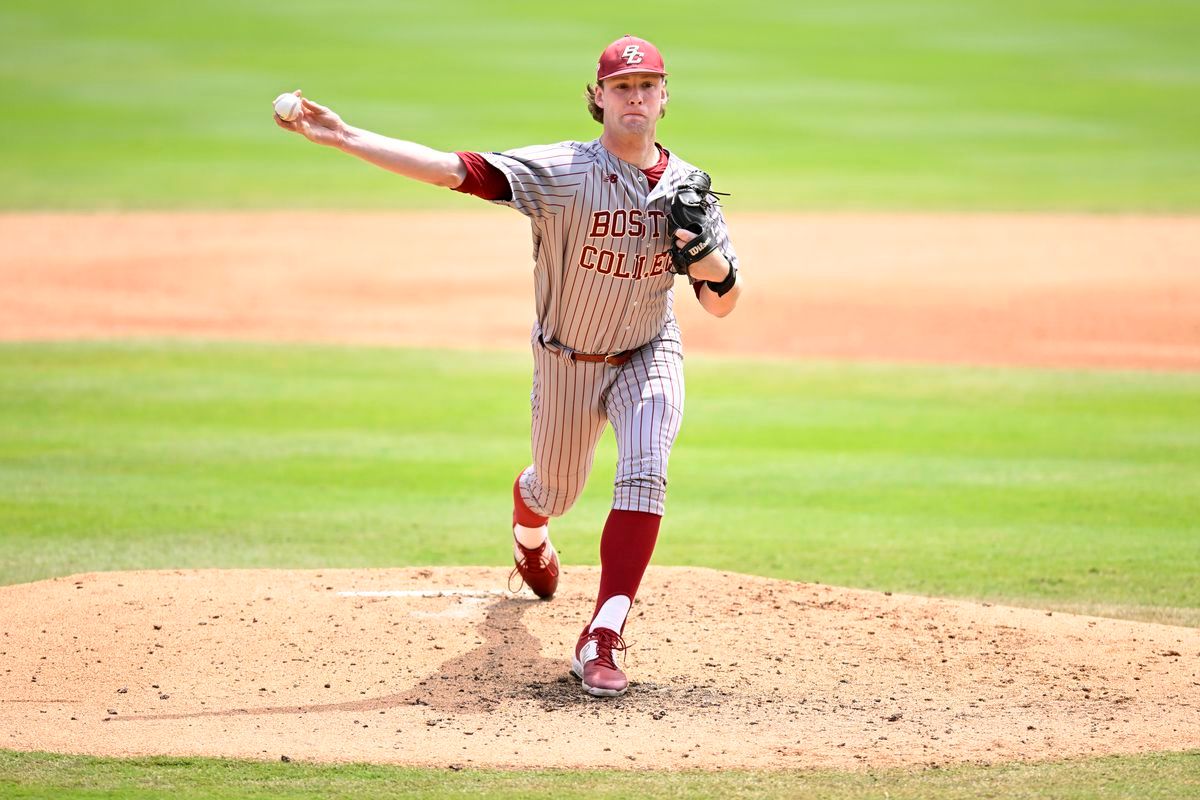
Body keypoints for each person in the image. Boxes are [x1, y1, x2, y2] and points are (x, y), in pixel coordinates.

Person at [274, 34, 742, 698]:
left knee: (647, 467)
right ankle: (530, 519)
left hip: (648, 350)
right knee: (557, 490)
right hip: (567, 361)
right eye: (622, 87)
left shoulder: (691, 186)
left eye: (647, 86)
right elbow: (452, 170)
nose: (635, 98)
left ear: (665, 97)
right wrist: (348, 136)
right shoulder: (564, 171)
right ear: (598, 98)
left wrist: (707, 259)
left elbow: (722, 303)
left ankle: (601, 636)